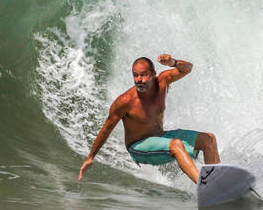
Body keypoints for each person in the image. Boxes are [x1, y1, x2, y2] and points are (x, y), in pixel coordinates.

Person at [78, 54, 219, 184]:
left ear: (153, 74)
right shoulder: (125, 102)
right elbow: (107, 128)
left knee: (209, 139)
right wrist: (91, 157)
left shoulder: (163, 82)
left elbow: (188, 69)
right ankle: (205, 186)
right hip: (138, 147)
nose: (139, 80)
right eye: (136, 75)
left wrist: (173, 62)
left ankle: (218, 182)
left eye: (144, 75)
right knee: (176, 145)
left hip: (160, 137)